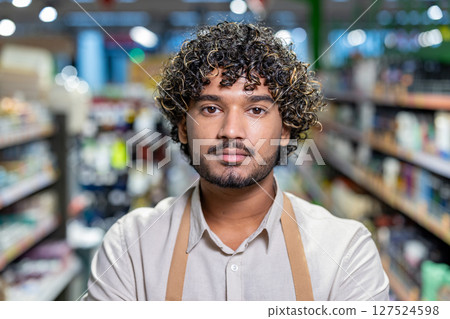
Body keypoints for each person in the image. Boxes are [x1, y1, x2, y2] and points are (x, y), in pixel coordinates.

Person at [85, 22, 389, 301]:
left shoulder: (346, 252)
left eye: (256, 110)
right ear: (182, 127)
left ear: (285, 130)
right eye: (210, 109)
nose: (231, 131)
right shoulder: (129, 247)